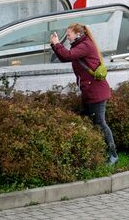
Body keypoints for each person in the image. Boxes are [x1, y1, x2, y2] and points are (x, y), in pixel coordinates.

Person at [49, 23, 118, 165]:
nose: (67, 37)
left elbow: (67, 55)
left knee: (100, 123)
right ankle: (93, 153)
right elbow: (64, 57)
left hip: (97, 92)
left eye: (69, 35)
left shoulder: (85, 45)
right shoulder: (79, 46)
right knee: (88, 121)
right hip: (89, 91)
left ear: (78, 34)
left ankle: (113, 155)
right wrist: (54, 46)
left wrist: (56, 44)